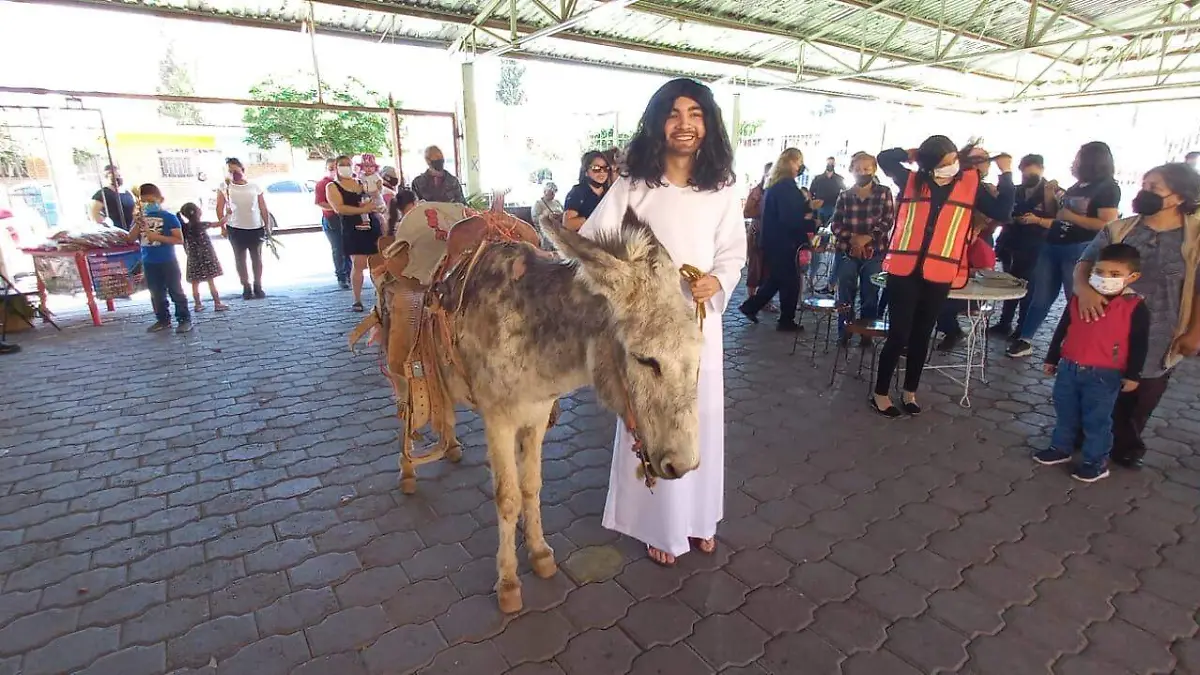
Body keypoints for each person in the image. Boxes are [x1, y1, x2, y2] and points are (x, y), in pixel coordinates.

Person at [582, 77, 746, 567]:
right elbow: (593, 243)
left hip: (698, 326)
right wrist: (628, 287)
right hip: (649, 331)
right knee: (654, 415)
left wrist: (716, 281)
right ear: (658, 124)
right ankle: (658, 526)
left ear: (708, 124)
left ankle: (699, 519)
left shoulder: (722, 188)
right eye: (673, 114)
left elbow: (733, 253)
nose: (684, 124)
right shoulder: (634, 186)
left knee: (700, 417)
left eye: (695, 114)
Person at [872, 137, 1015, 418]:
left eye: (953, 158)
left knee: (923, 334)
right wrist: (912, 153)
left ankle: (910, 391)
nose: (952, 165)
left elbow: (1002, 212)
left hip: (940, 271)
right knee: (898, 335)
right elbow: (885, 158)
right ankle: (880, 393)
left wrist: (1007, 175)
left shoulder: (971, 184)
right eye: (945, 161)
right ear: (929, 164)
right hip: (904, 270)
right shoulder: (912, 179)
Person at [1072, 163, 1200, 469]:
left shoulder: (1194, 238)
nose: (1145, 192)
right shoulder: (1120, 229)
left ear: (1179, 197)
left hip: (1161, 330)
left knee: (1142, 393)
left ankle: (1126, 444)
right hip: (1107, 327)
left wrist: (1195, 333)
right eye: (1144, 185)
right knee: (1096, 383)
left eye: (1154, 188)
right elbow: (1084, 263)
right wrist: (1084, 290)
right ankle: (1084, 433)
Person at [1037, 243, 1150, 483]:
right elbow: (1063, 328)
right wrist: (1052, 358)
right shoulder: (1080, 297)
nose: (1105, 278)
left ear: (1133, 277)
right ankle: (1060, 448)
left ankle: (1095, 462)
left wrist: (1133, 375)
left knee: (1097, 419)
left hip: (1105, 374)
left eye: (1115, 274)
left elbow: (1139, 343)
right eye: (1099, 271)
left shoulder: (1134, 306)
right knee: (1065, 411)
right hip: (1069, 367)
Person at [1008, 142, 1119, 358]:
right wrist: (1050, 194)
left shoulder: (1107, 187)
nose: (1074, 162)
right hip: (1052, 244)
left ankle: (1078, 341)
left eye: (1078, 157)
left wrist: (1072, 217)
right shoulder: (1078, 186)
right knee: (1040, 295)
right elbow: (1057, 214)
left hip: (1079, 248)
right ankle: (1025, 338)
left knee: (1075, 297)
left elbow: (1106, 223)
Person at [739, 148, 818, 331]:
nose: (801, 167)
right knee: (790, 282)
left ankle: (751, 307)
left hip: (775, 240)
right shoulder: (786, 188)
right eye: (799, 162)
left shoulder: (776, 185)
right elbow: (789, 218)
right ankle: (785, 320)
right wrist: (810, 222)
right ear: (791, 162)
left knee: (777, 278)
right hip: (784, 242)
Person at [991, 154, 1060, 338]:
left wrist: (1037, 220)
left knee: (1029, 289)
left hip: (1037, 247)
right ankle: (1004, 323)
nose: (1028, 178)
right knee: (1009, 285)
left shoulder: (1052, 191)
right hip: (1011, 245)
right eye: (1025, 175)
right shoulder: (1015, 190)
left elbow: (1059, 221)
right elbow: (1003, 212)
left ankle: (1022, 328)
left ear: (1042, 170)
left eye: (1032, 175)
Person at [830, 152, 894, 345]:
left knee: (870, 293)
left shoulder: (884, 192)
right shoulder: (844, 195)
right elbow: (836, 224)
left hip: (874, 251)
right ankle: (844, 331)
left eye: (866, 168)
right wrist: (853, 239)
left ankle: (867, 333)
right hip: (847, 251)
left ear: (874, 169)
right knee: (845, 292)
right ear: (851, 170)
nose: (862, 172)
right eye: (858, 169)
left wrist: (867, 238)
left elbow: (888, 220)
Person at [127, 184, 190, 333]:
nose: (148, 205)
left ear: (160, 200)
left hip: (168, 260)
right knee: (156, 293)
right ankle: (162, 319)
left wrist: (157, 237)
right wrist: (137, 223)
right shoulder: (140, 219)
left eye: (151, 201)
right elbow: (130, 238)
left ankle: (184, 319)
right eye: (144, 202)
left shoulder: (169, 217)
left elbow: (179, 239)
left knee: (176, 291)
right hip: (149, 261)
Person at [326, 155, 383, 312]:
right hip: (352, 228)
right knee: (358, 263)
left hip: (371, 224)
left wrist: (375, 205)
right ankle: (357, 300)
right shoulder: (332, 187)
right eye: (342, 164)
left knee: (377, 262)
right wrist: (361, 210)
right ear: (336, 167)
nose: (345, 167)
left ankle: (381, 297)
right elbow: (339, 208)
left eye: (348, 164)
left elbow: (373, 197)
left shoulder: (361, 182)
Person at [934, 218, 996, 351]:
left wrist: (963, 270)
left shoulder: (980, 248)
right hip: (954, 290)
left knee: (939, 305)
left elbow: (986, 273)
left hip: (974, 296)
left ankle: (952, 332)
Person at [215, 157, 271, 300]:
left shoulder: (254, 186)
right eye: (229, 171)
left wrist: (267, 226)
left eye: (235, 170)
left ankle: (258, 285)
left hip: (255, 227)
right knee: (240, 258)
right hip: (235, 227)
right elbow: (219, 208)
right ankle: (246, 286)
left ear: (242, 170)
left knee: (256, 258)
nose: (233, 174)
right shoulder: (224, 187)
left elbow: (263, 207)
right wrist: (222, 227)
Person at [178, 202, 228, 313]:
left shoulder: (184, 228)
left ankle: (197, 304)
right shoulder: (202, 225)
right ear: (197, 212)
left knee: (195, 283)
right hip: (207, 258)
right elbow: (220, 223)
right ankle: (217, 303)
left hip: (193, 259)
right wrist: (228, 214)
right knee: (211, 281)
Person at [317, 158, 351, 289]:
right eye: (331, 168)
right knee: (338, 248)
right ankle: (341, 276)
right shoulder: (323, 184)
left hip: (347, 218)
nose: (334, 171)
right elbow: (320, 202)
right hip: (332, 219)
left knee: (349, 247)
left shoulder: (347, 182)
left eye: (336, 168)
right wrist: (337, 206)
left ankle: (350, 274)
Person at [743, 162, 774, 304]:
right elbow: (747, 212)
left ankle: (764, 301)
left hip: (772, 236)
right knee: (755, 269)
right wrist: (764, 209)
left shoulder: (776, 192)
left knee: (769, 270)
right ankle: (751, 300)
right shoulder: (757, 191)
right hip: (758, 233)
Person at [563, 151, 612, 231]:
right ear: (586, 171)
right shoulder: (577, 192)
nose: (602, 172)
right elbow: (568, 224)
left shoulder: (610, 192)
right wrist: (594, 216)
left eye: (605, 168)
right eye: (596, 168)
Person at [90, 165, 137, 231]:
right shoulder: (102, 193)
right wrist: (106, 227)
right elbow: (94, 214)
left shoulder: (127, 192)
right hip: (116, 231)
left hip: (132, 230)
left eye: (119, 176)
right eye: (114, 176)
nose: (117, 178)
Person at [809, 156, 845, 224]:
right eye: (829, 163)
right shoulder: (817, 178)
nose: (830, 165)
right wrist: (812, 205)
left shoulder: (839, 179)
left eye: (832, 163)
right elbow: (810, 192)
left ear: (834, 165)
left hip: (834, 207)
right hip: (819, 208)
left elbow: (845, 192)